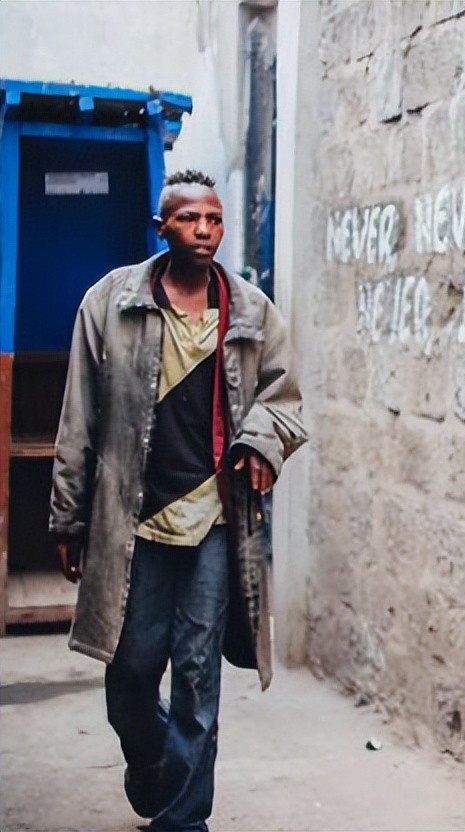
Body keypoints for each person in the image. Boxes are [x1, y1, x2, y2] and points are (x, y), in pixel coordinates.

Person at [50, 169, 307, 832]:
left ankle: (183, 820)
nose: (205, 232)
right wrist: (68, 516)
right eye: (191, 219)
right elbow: (78, 416)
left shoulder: (251, 311)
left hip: (216, 525)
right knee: (130, 672)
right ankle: (153, 763)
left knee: (198, 676)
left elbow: (285, 403)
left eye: (215, 221)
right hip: (130, 524)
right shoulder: (109, 302)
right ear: (161, 227)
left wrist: (259, 442)